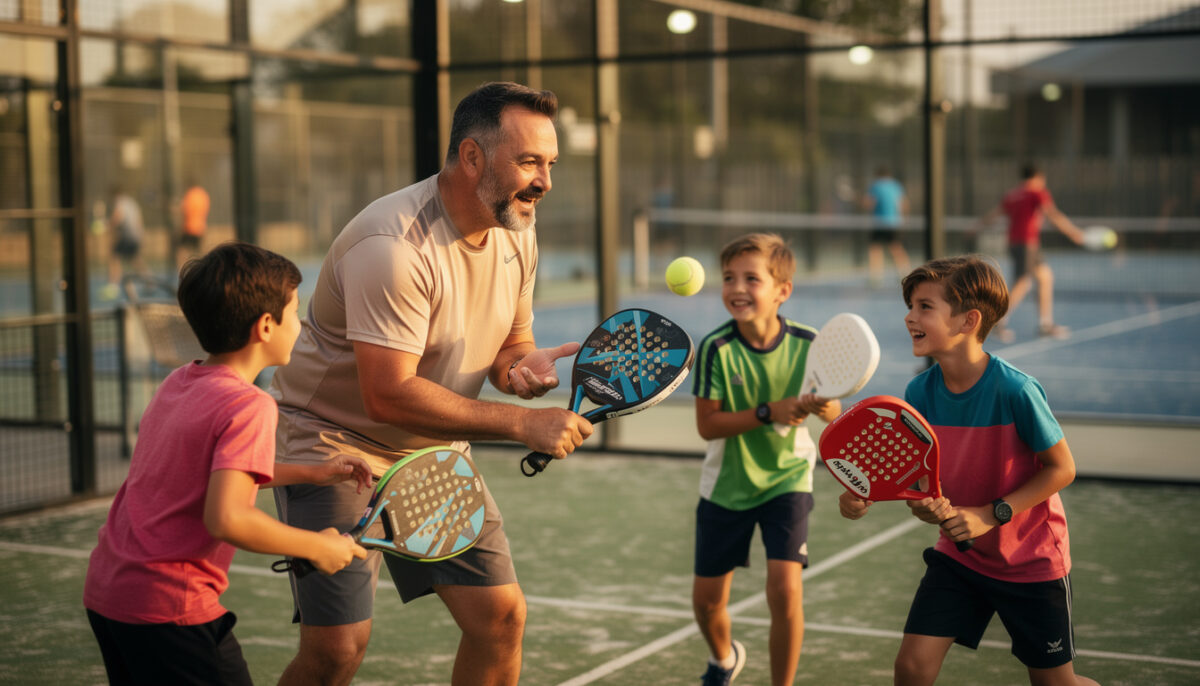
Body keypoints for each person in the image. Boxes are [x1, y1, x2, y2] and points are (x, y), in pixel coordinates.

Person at [269, 81, 594, 686]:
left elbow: (510, 344)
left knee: (500, 619)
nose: (545, 181)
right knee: (337, 650)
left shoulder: (517, 233)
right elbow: (388, 393)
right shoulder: (393, 246)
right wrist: (523, 423)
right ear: (472, 157)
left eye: (550, 164)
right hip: (333, 447)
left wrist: (520, 371)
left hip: (429, 453)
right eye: (529, 161)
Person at [83, 242, 371, 685]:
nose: (302, 324)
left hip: (110, 593)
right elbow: (227, 517)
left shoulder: (180, 382)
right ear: (266, 326)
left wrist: (314, 471)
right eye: (296, 313)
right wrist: (316, 546)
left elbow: (209, 472)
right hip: (170, 608)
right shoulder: (250, 405)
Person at [838, 255, 1099, 686]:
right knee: (911, 667)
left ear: (967, 321)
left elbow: (1062, 469)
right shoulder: (919, 391)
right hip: (961, 557)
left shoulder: (1015, 390)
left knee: (1055, 683)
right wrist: (886, 498)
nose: (909, 317)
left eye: (925, 306)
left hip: (1031, 560)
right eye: (911, 306)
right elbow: (921, 483)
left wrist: (988, 514)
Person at [690, 233, 842, 686]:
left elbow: (834, 411)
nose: (737, 288)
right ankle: (723, 658)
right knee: (707, 603)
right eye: (728, 278)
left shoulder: (810, 343)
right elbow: (707, 425)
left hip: (788, 481)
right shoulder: (715, 348)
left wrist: (821, 406)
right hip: (726, 486)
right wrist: (768, 412)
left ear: (782, 290)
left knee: (785, 590)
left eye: (751, 278)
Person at [977, 163, 1084, 342]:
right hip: (1027, 243)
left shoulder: (1011, 195)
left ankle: (1045, 324)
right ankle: (996, 321)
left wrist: (977, 226)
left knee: (1045, 277)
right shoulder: (1037, 193)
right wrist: (1073, 232)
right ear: (1038, 178)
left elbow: (995, 214)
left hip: (1017, 243)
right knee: (1023, 283)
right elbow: (1052, 214)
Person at [863, 165, 911, 287]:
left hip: (880, 223)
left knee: (875, 248)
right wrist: (904, 219)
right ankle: (905, 273)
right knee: (896, 247)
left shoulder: (875, 186)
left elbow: (869, 204)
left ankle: (875, 276)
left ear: (878, 175)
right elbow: (904, 203)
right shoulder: (896, 185)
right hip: (895, 222)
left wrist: (862, 203)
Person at [103, 188, 148, 300]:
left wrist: (107, 225)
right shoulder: (132, 203)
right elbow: (139, 221)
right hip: (136, 236)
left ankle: (113, 286)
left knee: (114, 257)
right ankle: (149, 280)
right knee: (134, 259)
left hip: (128, 236)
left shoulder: (120, 202)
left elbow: (118, 217)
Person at [177, 181, 211, 270]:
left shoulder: (190, 195)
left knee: (182, 252)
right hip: (201, 228)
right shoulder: (203, 194)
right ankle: (205, 270)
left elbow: (185, 211)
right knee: (200, 253)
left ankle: (181, 271)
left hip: (189, 228)